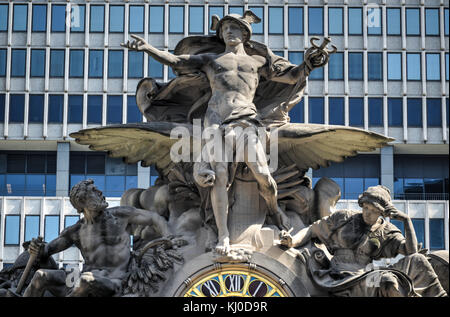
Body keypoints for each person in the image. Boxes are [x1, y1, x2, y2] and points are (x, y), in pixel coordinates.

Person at [122, 11, 326, 255]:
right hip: (216, 123)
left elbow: (292, 75)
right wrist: (148, 48)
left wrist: (309, 64)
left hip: (246, 120)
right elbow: (177, 62)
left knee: (262, 173)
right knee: (218, 178)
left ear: (245, 33)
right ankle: (223, 235)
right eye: (225, 28)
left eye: (234, 28)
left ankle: (273, 209)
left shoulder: (258, 62)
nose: (228, 31)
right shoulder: (211, 60)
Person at [279, 185, 447, 297]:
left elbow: (412, 253)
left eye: (373, 211)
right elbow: (312, 229)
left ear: (382, 213)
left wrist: (406, 220)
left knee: (411, 266)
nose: (367, 213)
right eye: (365, 208)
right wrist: (292, 241)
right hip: (338, 276)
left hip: (367, 276)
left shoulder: (386, 230)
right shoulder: (344, 217)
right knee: (388, 280)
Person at [23, 179, 172, 297]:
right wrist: (37, 248)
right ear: (82, 202)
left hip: (117, 280)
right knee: (40, 276)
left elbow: (154, 218)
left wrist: (170, 238)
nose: (100, 192)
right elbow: (46, 251)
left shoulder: (120, 215)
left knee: (85, 281)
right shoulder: (76, 231)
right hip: (81, 280)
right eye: (93, 191)